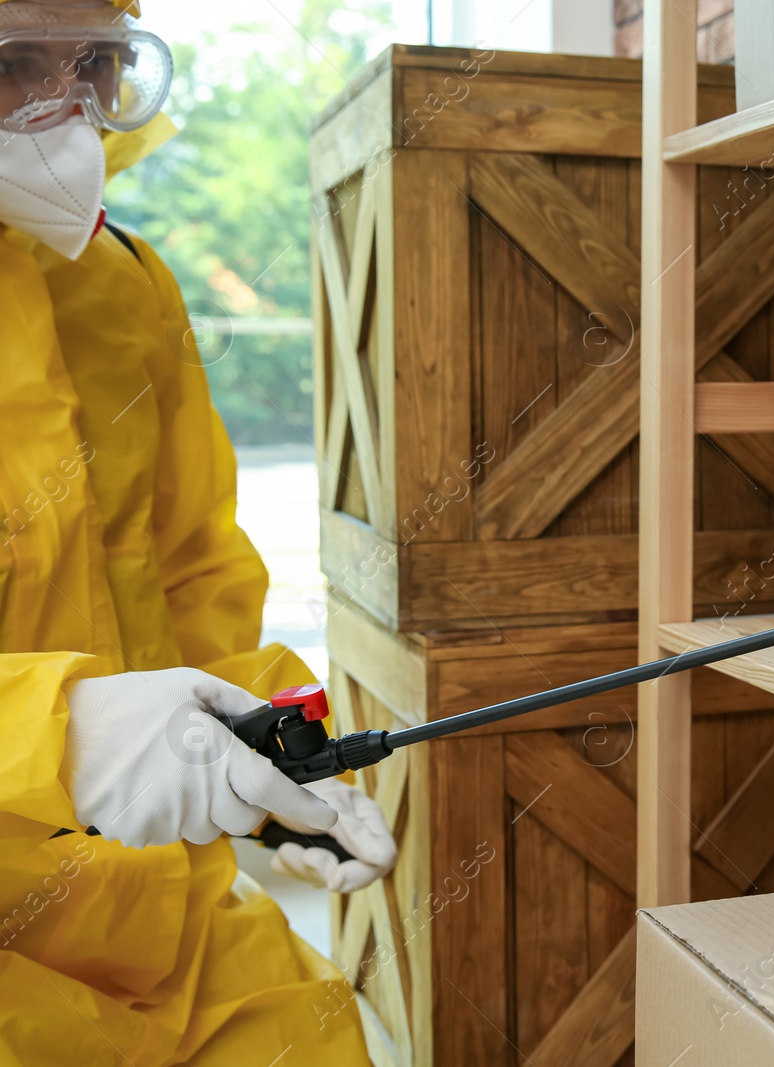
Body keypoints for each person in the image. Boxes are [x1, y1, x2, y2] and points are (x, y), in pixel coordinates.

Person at [0, 1, 392, 1061]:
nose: (65, 116)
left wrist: (274, 764)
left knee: (314, 1032)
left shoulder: (126, 288)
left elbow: (192, 573)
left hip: (156, 912)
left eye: (94, 66)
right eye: (12, 68)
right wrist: (59, 735)